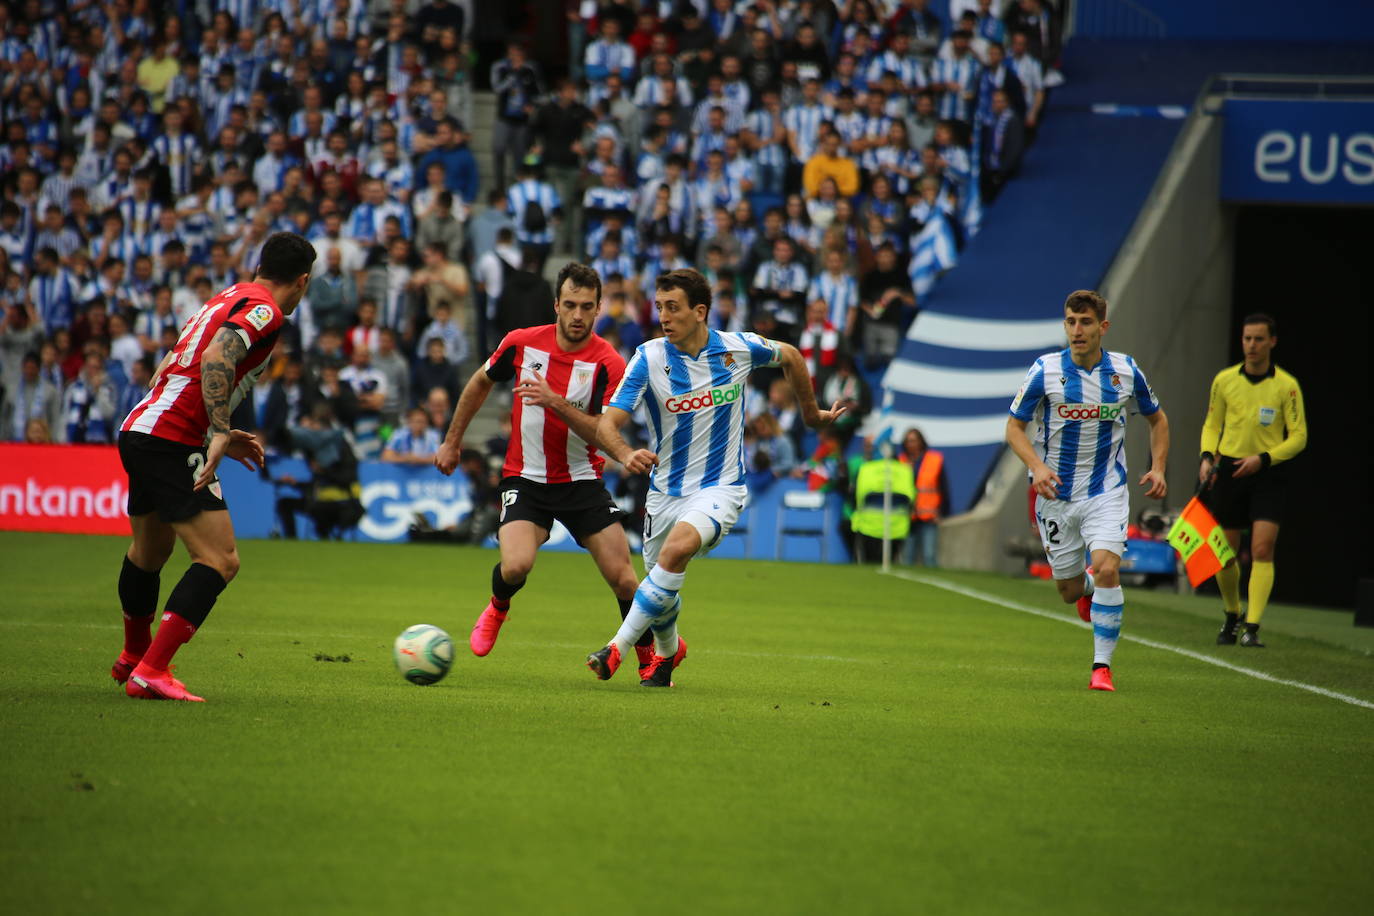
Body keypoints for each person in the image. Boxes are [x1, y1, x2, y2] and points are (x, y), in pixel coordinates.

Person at [586, 268, 844, 687]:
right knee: (661, 592)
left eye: (673, 308)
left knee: (675, 553)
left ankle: (615, 648)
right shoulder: (649, 358)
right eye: (659, 308)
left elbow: (792, 356)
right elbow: (606, 424)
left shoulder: (737, 348)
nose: (664, 317)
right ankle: (669, 654)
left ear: (700, 311)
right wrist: (625, 452)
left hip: (720, 487)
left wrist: (811, 415)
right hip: (664, 493)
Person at [113, 231, 316, 702]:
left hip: (143, 428)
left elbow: (170, 363)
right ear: (303, 281)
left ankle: (134, 658)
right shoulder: (266, 311)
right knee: (219, 560)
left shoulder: (227, 296)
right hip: (172, 439)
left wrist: (211, 426)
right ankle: (152, 672)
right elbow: (216, 357)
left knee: (148, 552)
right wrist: (219, 430)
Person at [433, 262, 645, 668]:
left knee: (625, 580)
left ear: (599, 308)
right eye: (570, 305)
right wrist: (452, 441)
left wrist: (555, 402)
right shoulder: (521, 343)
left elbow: (604, 429)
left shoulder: (609, 364)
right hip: (525, 478)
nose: (578, 315)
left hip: (582, 481)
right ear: (556, 306)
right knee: (515, 566)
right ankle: (498, 606)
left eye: (586, 306)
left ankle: (650, 656)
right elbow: (480, 382)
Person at [1004, 289, 1170, 692]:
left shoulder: (1126, 372)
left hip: (1105, 490)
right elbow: (1014, 428)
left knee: (1109, 566)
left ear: (1103, 327)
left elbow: (1157, 420)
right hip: (1055, 495)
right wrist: (1037, 466)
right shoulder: (1044, 370)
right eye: (1071, 322)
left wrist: (1158, 468)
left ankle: (1102, 668)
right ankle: (1088, 589)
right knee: (1068, 590)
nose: (1077, 330)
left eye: (1085, 322)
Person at [1199, 313, 1307, 649]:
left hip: (1267, 472)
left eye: (1259, 339)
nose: (1252, 345)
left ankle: (1253, 626)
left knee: (1262, 548)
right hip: (1230, 470)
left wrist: (1263, 459)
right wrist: (1206, 456)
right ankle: (1232, 613)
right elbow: (1212, 424)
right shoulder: (1225, 380)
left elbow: (1299, 436)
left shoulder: (1286, 386)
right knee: (1225, 554)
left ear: (1272, 342)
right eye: (1247, 339)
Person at [899, 427, 949, 567]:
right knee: (907, 556)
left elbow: (943, 487)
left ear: (921, 442)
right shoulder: (901, 461)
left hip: (929, 515)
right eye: (908, 441)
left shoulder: (934, 459)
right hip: (908, 515)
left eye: (914, 441)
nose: (911, 444)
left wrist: (943, 511)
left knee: (929, 555)